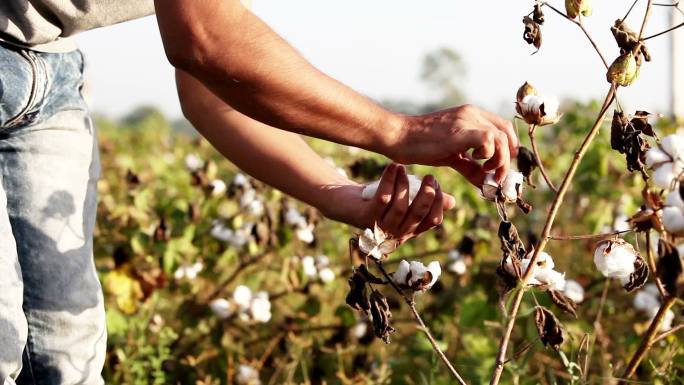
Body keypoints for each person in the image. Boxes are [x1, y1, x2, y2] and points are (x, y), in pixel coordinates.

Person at [0, 1, 518, 384]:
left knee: (63, 358)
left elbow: (209, 83)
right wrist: (400, 133)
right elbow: (204, 38)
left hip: (46, 66)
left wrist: (335, 192)